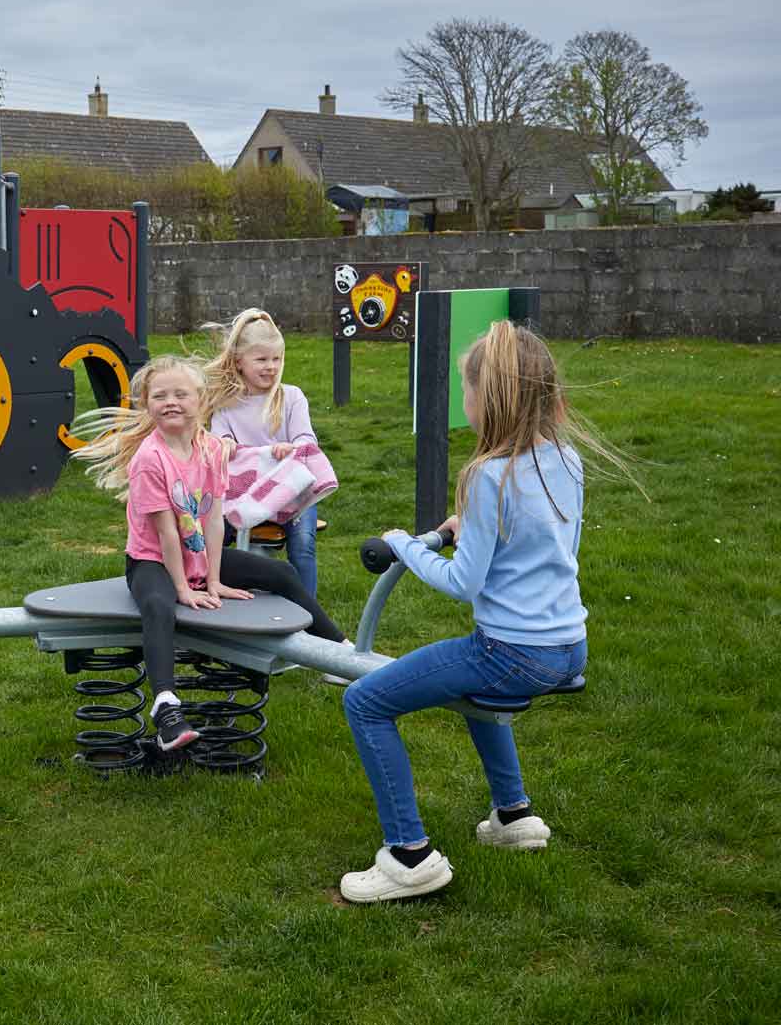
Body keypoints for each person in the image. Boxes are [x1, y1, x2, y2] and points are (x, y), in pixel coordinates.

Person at [338, 321, 636, 903]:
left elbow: (461, 581)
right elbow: (549, 547)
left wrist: (402, 543)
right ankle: (513, 815)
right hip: (569, 646)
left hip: (512, 654)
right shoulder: (566, 461)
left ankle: (409, 857)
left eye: (466, 392)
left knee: (365, 700)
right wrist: (461, 527)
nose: (464, 403)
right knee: (472, 691)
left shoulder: (487, 477)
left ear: (488, 400)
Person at [73, 355, 349, 750]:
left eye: (181, 394)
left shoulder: (211, 450)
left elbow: (215, 521)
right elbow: (167, 533)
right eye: (160, 395)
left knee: (283, 574)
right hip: (153, 561)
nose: (171, 401)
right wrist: (184, 588)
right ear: (147, 404)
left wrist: (215, 580)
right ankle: (167, 707)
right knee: (158, 604)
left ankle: (340, 655)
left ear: (201, 401)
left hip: (198, 554)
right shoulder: (150, 459)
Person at [203, 308, 324, 596]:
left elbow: (307, 439)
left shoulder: (291, 397)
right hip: (243, 491)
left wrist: (291, 447)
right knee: (210, 532)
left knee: (303, 544)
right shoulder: (226, 404)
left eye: (277, 359)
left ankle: (307, 610)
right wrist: (226, 445)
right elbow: (218, 442)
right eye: (261, 359)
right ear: (239, 362)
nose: (271, 366)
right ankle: (210, 587)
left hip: (290, 490)